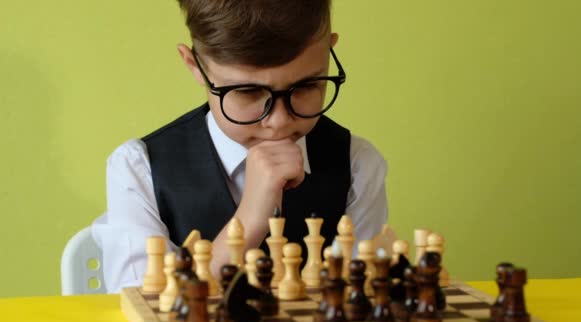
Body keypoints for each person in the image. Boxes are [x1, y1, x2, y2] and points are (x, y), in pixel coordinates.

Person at [92, 0, 388, 293]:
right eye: (247, 91)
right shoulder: (139, 168)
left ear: (330, 51)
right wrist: (248, 222)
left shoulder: (357, 164)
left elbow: (358, 303)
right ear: (195, 66)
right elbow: (142, 312)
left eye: (307, 86)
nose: (279, 121)